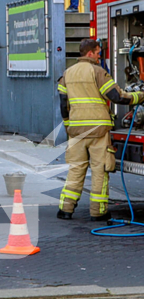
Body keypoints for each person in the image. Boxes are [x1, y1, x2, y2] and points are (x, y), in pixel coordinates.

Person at [57, 38, 143, 221]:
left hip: (76, 132)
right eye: (97, 53)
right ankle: (98, 212)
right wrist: (140, 96)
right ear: (90, 53)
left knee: (76, 169)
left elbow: (63, 104)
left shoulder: (67, 74)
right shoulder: (98, 72)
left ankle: (66, 209)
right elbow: (117, 97)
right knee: (99, 170)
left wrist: (68, 125)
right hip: (98, 131)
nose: (99, 57)